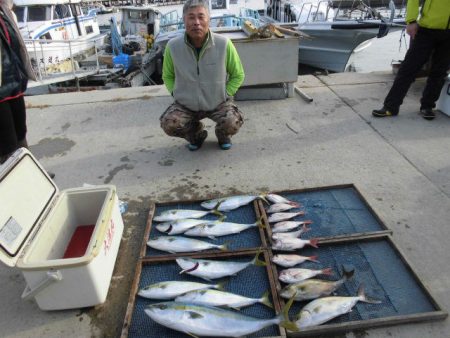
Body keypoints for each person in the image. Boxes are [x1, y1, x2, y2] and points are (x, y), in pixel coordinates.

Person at [160, 0, 245, 151]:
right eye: (191, 17)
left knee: (233, 122)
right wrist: (176, 93)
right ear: (184, 20)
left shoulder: (224, 44)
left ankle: (222, 134)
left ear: (208, 20)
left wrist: (226, 93)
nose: (196, 22)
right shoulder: (172, 47)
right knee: (169, 124)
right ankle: (196, 133)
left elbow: (238, 75)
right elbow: (167, 76)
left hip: (218, 101)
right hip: (187, 104)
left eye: (201, 17)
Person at [372, 0, 450, 120]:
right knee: (408, 68)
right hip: (426, 29)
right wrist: (411, 20)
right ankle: (390, 107)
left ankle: (427, 106)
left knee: (439, 72)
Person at [0, 0, 35, 163]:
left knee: (21, 132)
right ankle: (14, 179)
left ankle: (31, 171)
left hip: (15, 84)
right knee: (7, 142)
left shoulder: (5, 12)